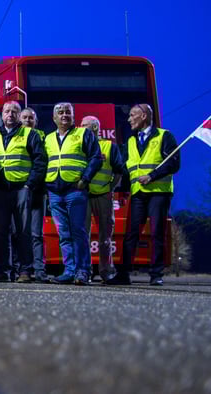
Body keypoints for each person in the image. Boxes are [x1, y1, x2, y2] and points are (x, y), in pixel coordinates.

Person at [106, 104, 180, 287]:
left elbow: (174, 163)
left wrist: (152, 176)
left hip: (159, 193)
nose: (129, 119)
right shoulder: (130, 141)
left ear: (144, 116)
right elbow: (123, 166)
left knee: (157, 233)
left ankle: (156, 275)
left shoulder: (165, 136)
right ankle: (123, 274)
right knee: (131, 234)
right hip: (138, 193)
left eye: (133, 115)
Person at [0, 101, 46, 282]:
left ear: (19, 115)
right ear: (1, 115)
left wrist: (29, 185)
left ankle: (25, 271)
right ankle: (3, 272)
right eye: (7, 111)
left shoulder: (30, 134)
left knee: (23, 231)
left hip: (21, 188)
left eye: (14, 111)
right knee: (2, 232)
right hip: (1, 190)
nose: (10, 114)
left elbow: (39, 162)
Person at [43, 103, 102, 285]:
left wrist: (85, 179)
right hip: (54, 192)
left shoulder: (83, 134)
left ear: (73, 116)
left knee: (78, 232)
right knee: (64, 234)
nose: (64, 115)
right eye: (60, 113)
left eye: (68, 112)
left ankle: (82, 271)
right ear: (54, 118)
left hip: (75, 191)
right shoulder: (48, 138)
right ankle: (69, 271)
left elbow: (96, 157)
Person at [80, 115, 126, 282]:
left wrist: (110, 188)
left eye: (84, 125)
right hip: (84, 195)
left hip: (103, 196)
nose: (80, 127)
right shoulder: (80, 146)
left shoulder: (108, 146)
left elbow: (119, 170)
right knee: (82, 235)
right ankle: (85, 271)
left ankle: (106, 272)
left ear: (94, 128)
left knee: (105, 238)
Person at [19, 107, 49, 282]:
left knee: (37, 233)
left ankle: (39, 270)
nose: (28, 120)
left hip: (37, 191)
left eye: (31, 118)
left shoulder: (43, 137)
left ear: (36, 121)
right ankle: (22, 269)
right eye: (25, 117)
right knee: (20, 233)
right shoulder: (15, 136)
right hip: (20, 191)